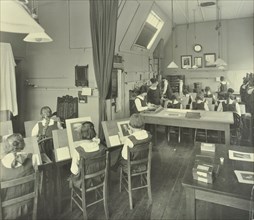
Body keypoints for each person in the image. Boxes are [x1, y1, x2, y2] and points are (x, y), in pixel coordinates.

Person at [0, 133, 37, 220]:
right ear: (22, 144)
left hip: (6, 211)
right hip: (28, 205)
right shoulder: (33, 158)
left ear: (6, 146)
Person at [70, 121, 106, 188]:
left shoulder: (78, 150)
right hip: (99, 179)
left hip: (84, 182)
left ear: (80, 134)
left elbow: (74, 170)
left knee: (72, 174)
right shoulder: (102, 147)